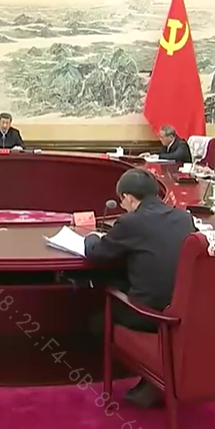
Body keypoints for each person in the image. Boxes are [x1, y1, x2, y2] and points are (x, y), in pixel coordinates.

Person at [84, 168, 196, 408]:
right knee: (123, 280)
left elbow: (97, 254)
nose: (122, 206)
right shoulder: (183, 218)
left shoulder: (130, 222)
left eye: (122, 201)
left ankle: (150, 374)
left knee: (97, 319)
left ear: (128, 197)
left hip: (149, 314)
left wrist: (91, 237)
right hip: (184, 308)